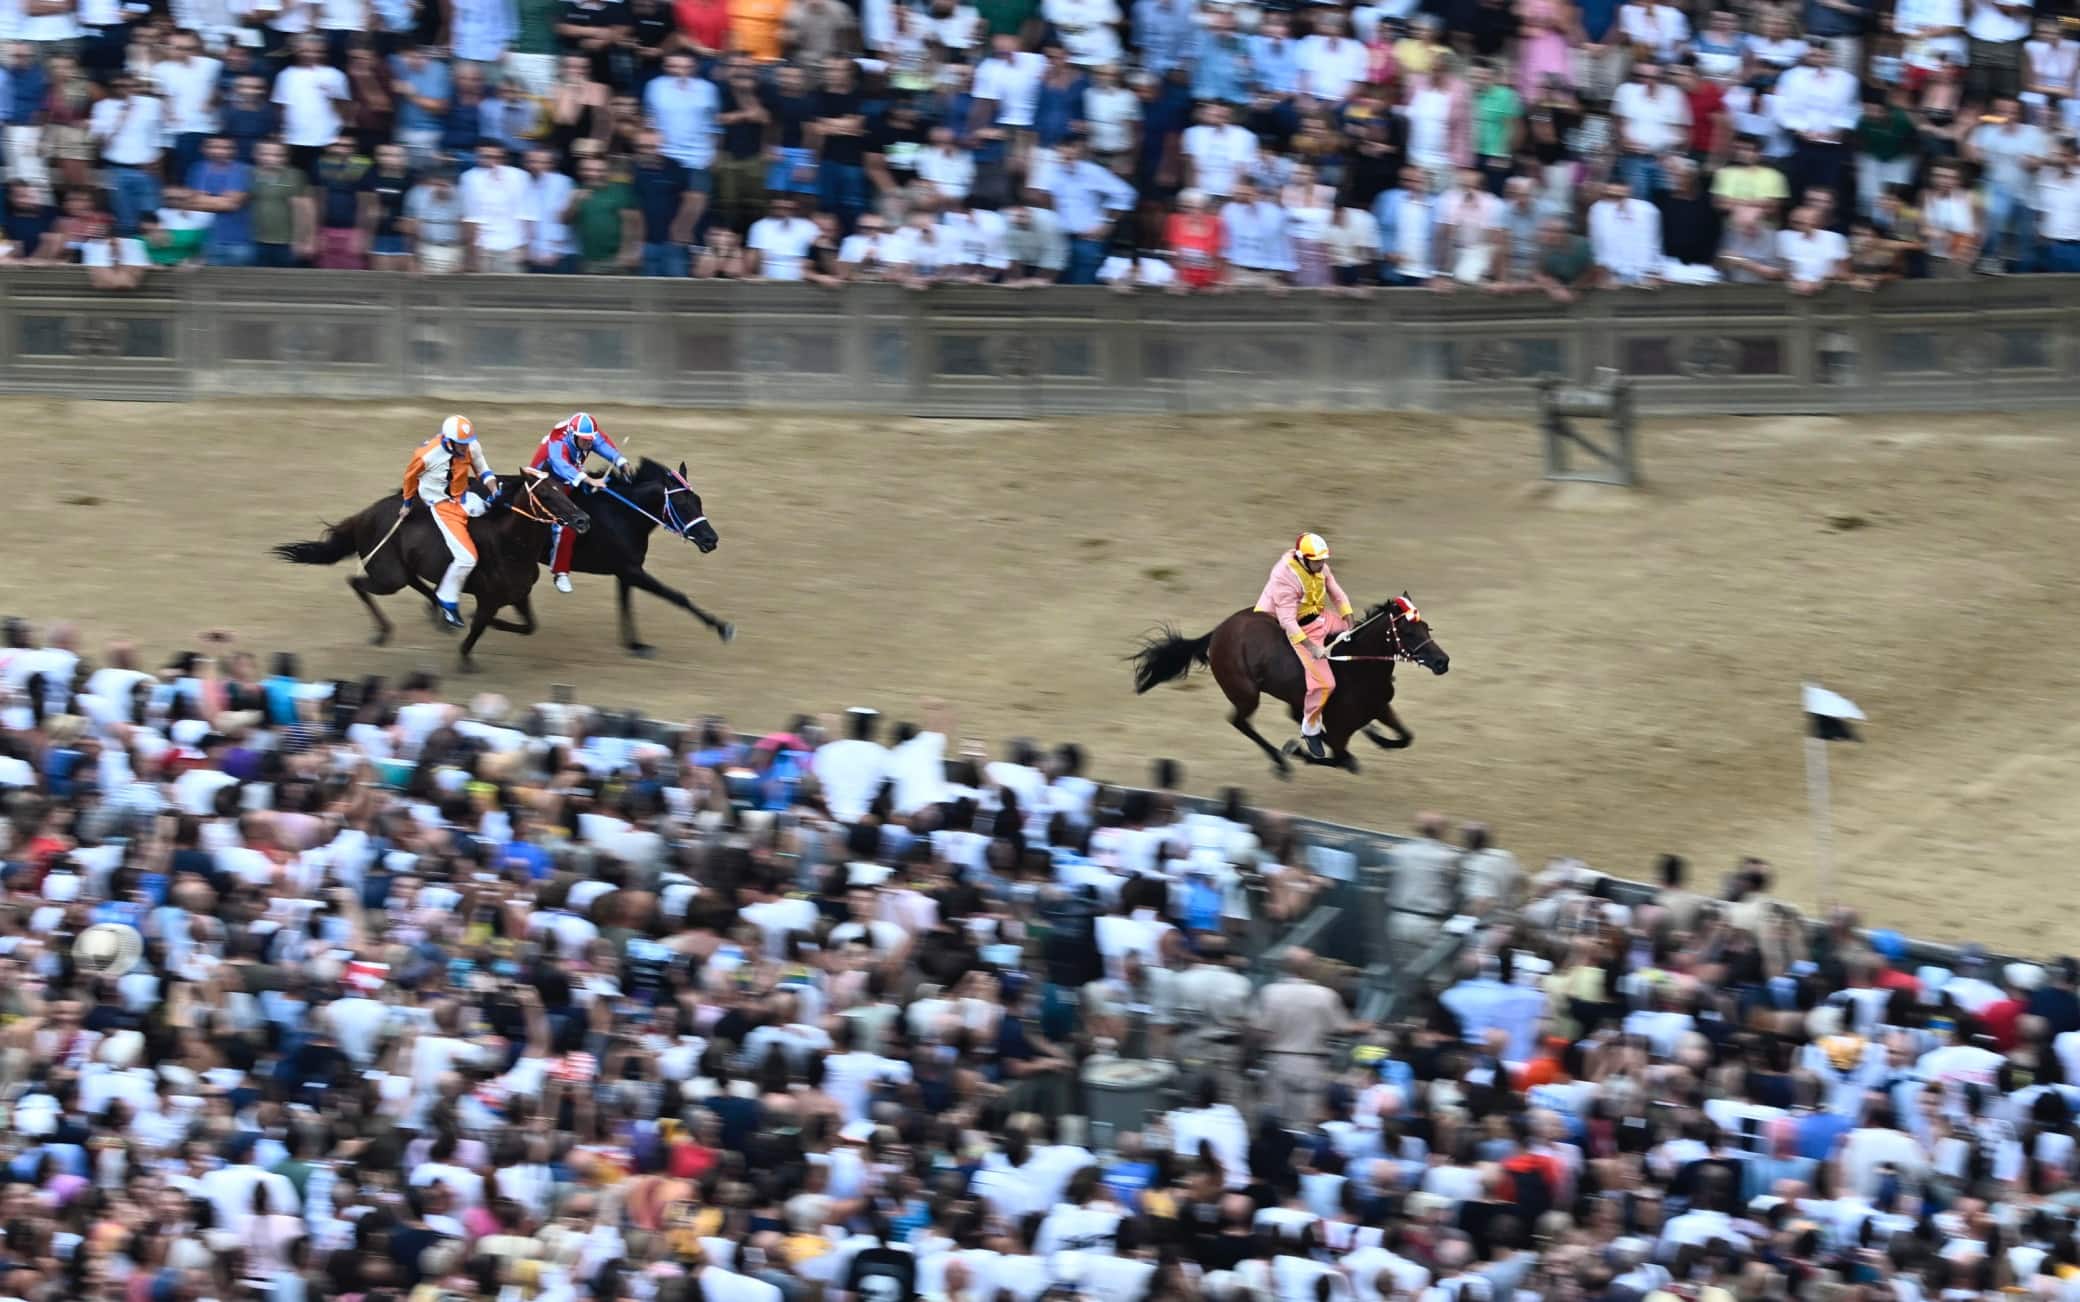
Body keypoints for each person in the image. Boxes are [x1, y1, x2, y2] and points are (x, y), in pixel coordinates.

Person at [1253, 532, 1355, 759]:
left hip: (1319, 616)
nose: (1322, 564)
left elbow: (1336, 593)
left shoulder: (1318, 566)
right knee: (1324, 683)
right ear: (1303, 559)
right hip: (1298, 627)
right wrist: (1312, 647)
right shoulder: (1284, 577)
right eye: (1317, 561)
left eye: (1323, 560)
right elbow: (1288, 621)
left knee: (1356, 638)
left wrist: (1349, 620)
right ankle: (1310, 729)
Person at [401, 415, 500, 628]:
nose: (465, 449)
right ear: (448, 440)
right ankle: (446, 600)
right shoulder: (426, 455)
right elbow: (409, 477)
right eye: (460, 445)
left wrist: (494, 488)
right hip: (441, 504)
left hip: (464, 498)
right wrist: (407, 503)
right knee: (467, 558)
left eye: (467, 444)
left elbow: (483, 470)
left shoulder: (470, 445)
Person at [527, 412, 630, 592]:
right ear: (572, 436)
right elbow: (561, 466)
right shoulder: (558, 442)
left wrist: (620, 461)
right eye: (584, 441)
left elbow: (602, 444)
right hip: (546, 481)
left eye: (590, 440)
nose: (588, 444)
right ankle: (560, 572)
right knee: (566, 524)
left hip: (568, 476)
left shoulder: (587, 435)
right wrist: (589, 480)